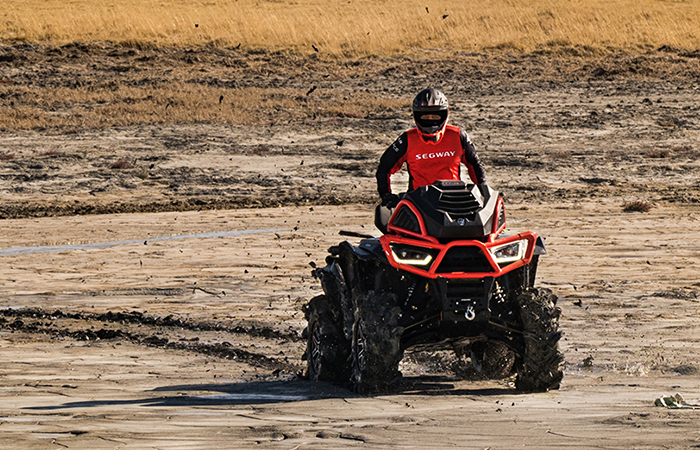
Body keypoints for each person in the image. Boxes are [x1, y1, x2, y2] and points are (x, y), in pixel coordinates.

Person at [376, 88, 487, 209]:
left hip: (454, 200)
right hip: (418, 204)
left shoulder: (458, 136)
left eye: (435, 116)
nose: (430, 120)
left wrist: (482, 190)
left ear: (445, 114)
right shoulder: (407, 139)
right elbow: (384, 168)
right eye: (426, 117)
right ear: (417, 116)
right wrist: (386, 195)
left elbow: (474, 164)